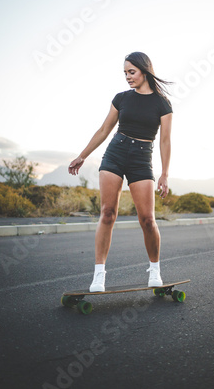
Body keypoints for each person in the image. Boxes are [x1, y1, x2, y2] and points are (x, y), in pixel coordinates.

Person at [68, 52, 173, 292]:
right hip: (116, 153)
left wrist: (165, 173)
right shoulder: (121, 98)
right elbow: (104, 129)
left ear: (145, 71)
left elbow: (165, 141)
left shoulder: (162, 103)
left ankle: (155, 270)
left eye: (131, 72)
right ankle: (99, 276)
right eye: (125, 72)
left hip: (142, 159)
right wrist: (82, 155)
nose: (127, 77)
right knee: (107, 213)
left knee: (147, 219)